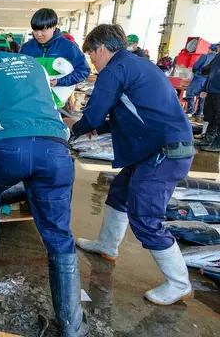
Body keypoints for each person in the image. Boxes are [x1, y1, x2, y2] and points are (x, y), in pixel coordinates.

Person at [0, 35, 88, 336]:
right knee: (58, 235)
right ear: (12, 50)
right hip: (55, 151)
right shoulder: (36, 67)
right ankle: (71, 326)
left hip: (9, 150)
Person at [70, 24, 194, 306]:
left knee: (146, 217)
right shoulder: (136, 64)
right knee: (120, 193)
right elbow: (126, 111)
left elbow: (94, 111)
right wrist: (97, 127)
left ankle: (179, 283)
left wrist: (73, 130)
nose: (92, 61)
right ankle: (107, 244)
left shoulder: (114, 69)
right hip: (155, 147)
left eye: (91, 54)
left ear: (101, 49)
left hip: (164, 152)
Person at [20, 8, 91, 90]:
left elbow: (83, 70)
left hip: (57, 98)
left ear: (54, 27)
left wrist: (59, 82)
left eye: (43, 30)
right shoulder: (26, 48)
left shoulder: (68, 47)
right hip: (32, 96)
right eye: (35, 30)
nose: (39, 34)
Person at [187, 44, 218, 120]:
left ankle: (190, 112)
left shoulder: (205, 56)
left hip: (199, 78)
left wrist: (195, 71)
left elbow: (196, 66)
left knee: (190, 94)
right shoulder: (217, 58)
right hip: (208, 81)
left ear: (210, 49)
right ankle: (198, 114)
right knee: (202, 97)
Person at [200, 52, 220, 151]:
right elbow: (209, 72)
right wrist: (205, 88)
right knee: (211, 116)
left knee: (218, 117)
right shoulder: (218, 56)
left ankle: (217, 144)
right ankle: (208, 140)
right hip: (212, 90)